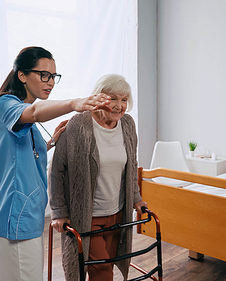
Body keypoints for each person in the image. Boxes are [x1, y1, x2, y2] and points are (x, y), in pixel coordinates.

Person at [0, 46, 111, 281]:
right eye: (44, 75)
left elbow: (21, 153)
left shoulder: (22, 116)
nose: (50, 82)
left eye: (53, 76)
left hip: (28, 215)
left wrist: (50, 143)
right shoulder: (6, 104)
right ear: (22, 75)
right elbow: (34, 112)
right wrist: (75, 103)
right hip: (15, 217)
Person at [49, 74, 148, 281]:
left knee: (105, 267)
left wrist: (136, 198)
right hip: (87, 216)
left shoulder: (127, 124)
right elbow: (57, 170)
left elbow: (131, 166)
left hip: (118, 213)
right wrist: (58, 211)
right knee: (102, 271)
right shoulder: (78, 125)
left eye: (124, 100)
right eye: (112, 98)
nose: (119, 106)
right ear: (99, 98)